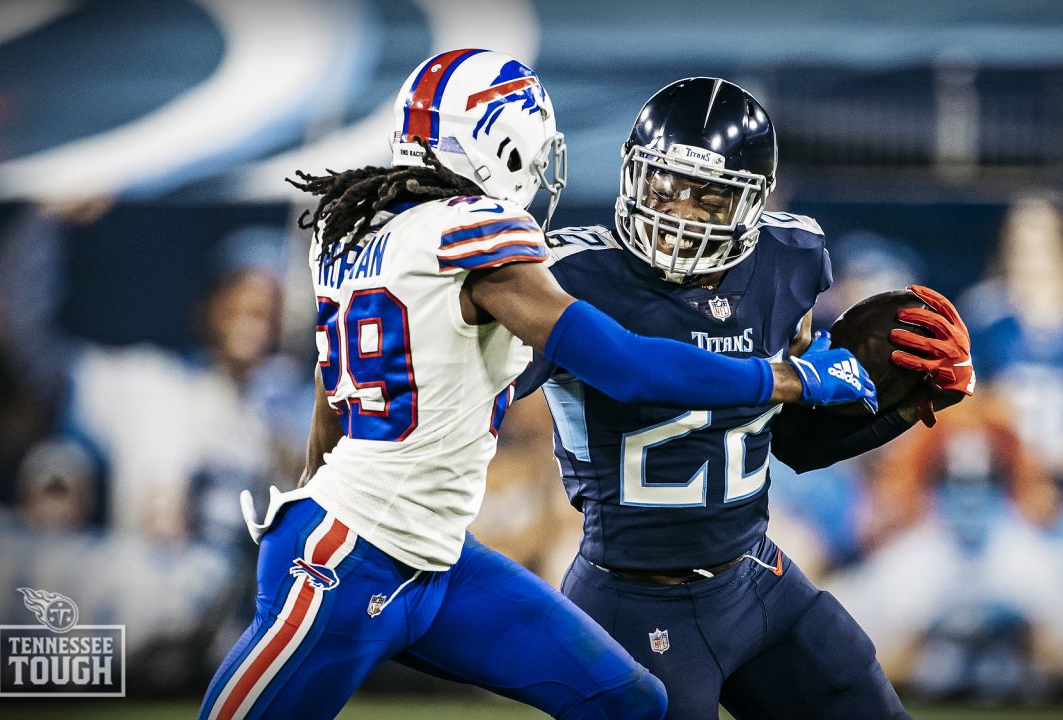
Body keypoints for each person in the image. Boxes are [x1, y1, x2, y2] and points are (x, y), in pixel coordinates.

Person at [199, 52, 875, 720]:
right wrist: (789, 379)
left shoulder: (357, 232)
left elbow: (330, 379)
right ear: (500, 145)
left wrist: (313, 482)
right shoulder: (477, 236)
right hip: (351, 555)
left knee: (632, 704)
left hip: (437, 556)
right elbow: (630, 367)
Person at [516, 78, 974, 719]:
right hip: (631, 598)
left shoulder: (789, 259)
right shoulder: (567, 275)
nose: (677, 215)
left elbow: (790, 441)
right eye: (663, 187)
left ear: (753, 203)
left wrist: (899, 410)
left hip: (754, 579)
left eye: (707, 199)